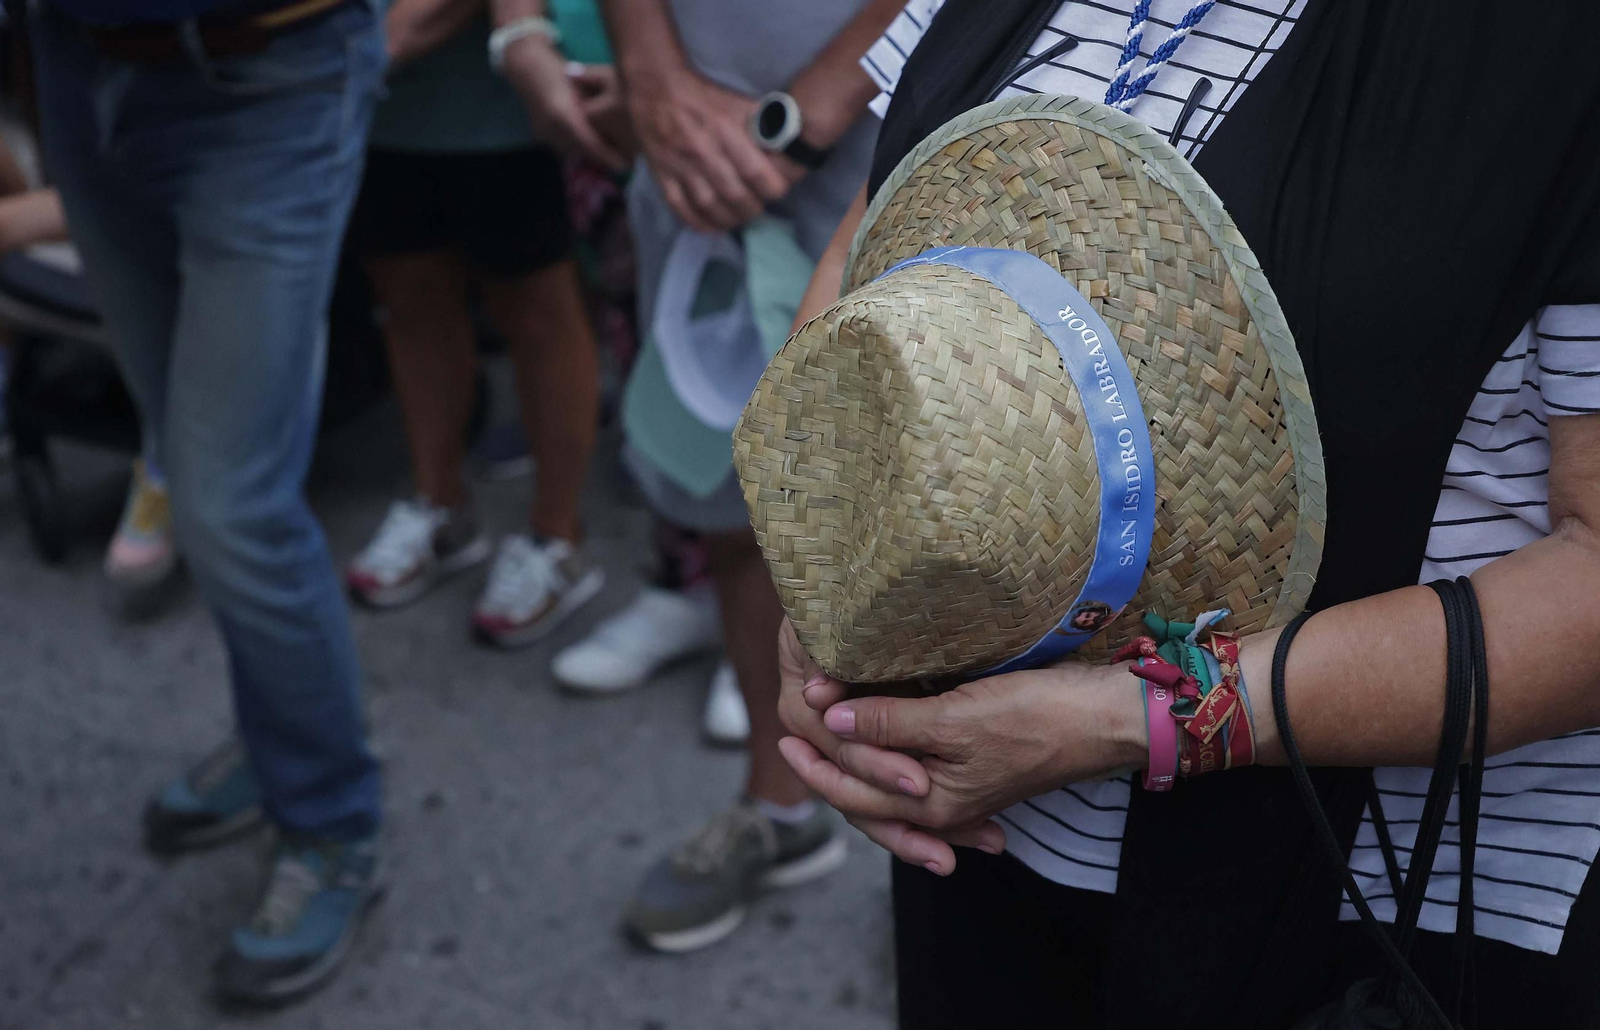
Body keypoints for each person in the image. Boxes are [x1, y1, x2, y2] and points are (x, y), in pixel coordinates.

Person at [775, 1, 1600, 1026]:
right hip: (984, 843)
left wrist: (1140, 718)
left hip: (1370, 916)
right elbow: (874, 238)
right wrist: (833, 580)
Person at [499, 0, 903, 950]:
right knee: (736, 511)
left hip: (899, 135)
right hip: (688, 148)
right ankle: (782, 811)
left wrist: (792, 124)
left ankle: (974, 859)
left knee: (932, 512)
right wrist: (655, 80)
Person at [31, 0, 386, 1006]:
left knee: (233, 501)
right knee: (194, 478)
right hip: (76, 61)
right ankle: (287, 740)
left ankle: (329, 820)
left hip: (265, 77)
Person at [340, 0, 607, 648]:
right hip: (376, 98)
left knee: (535, 307)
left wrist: (393, 36)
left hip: (504, 94)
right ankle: (442, 507)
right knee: (410, 299)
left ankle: (556, 538)